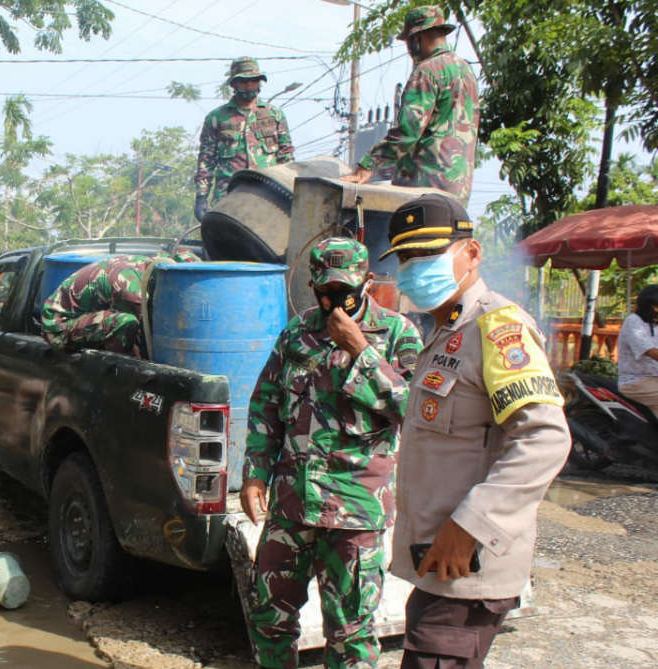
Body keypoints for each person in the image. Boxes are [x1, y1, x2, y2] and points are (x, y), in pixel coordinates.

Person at [382, 193, 569, 668]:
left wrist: (470, 527)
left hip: (467, 563)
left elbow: (545, 439)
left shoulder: (497, 327)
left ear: (472, 252)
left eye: (428, 254)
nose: (414, 268)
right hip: (441, 564)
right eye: (406, 257)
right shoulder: (446, 330)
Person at [240, 238, 421, 668]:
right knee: (268, 617)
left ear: (368, 284)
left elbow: (412, 409)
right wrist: (254, 475)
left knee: (351, 632)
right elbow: (266, 405)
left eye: (345, 292)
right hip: (292, 503)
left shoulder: (399, 334)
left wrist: (360, 349)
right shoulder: (297, 333)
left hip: (356, 509)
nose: (334, 301)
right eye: (325, 292)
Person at [341, 6, 479, 205]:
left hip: (423, 189)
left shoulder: (427, 71)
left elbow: (408, 133)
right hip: (457, 192)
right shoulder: (466, 71)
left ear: (417, 39)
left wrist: (369, 163)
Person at [40, 248, 200, 357]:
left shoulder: (146, 265)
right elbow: (144, 336)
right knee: (127, 323)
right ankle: (115, 368)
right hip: (57, 329)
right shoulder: (133, 289)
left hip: (79, 317)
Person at [194, 57, 294, 221]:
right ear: (234, 84)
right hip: (229, 196)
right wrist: (201, 196)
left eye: (254, 81)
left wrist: (291, 192)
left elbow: (287, 158)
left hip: (269, 197)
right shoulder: (217, 118)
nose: (249, 86)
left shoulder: (274, 115)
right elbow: (206, 161)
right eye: (244, 82)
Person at [618, 284, 658, 416]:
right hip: (636, 382)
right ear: (651, 305)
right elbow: (651, 352)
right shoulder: (633, 322)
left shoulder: (654, 324)